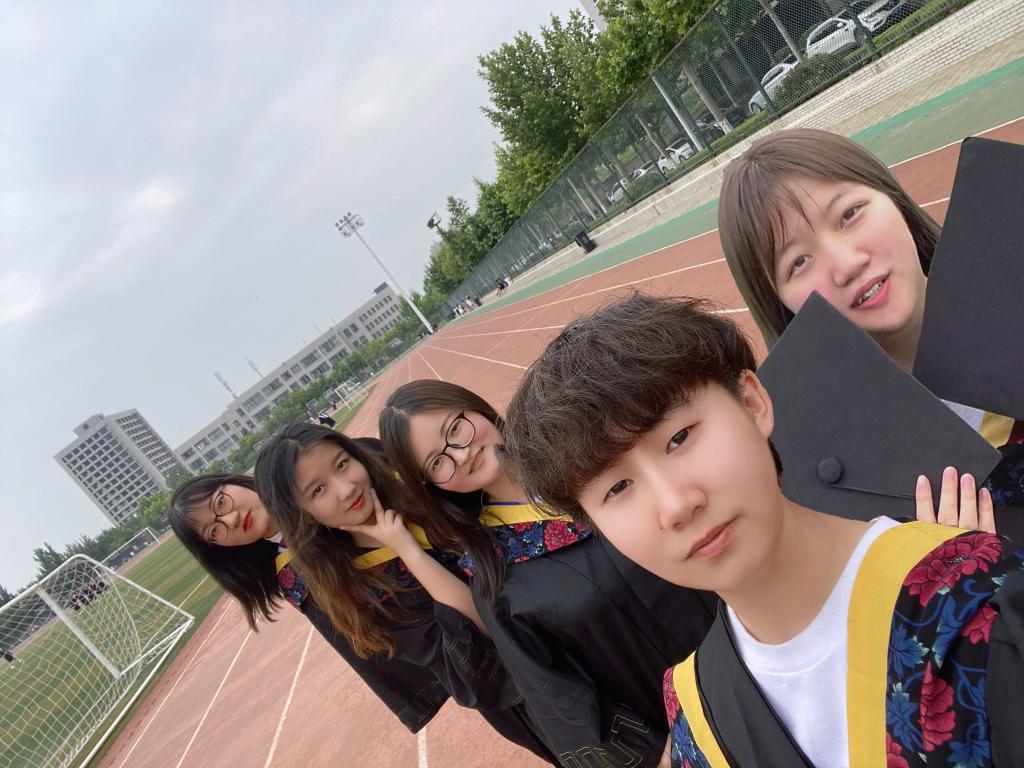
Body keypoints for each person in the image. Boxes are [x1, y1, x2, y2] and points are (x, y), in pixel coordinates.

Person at [503, 294, 1024, 767]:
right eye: (617, 488)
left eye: (679, 437)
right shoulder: (696, 718)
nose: (676, 505)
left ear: (753, 403)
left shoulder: (980, 601)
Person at [379, 380, 717, 767]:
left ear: (474, 407)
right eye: (437, 463)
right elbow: (559, 697)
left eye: (455, 429)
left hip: (749, 631)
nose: (460, 454)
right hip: (688, 722)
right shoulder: (496, 578)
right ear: (430, 485)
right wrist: (658, 754)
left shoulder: (583, 457)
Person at [717, 128, 1023, 523]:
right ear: (779, 304)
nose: (847, 265)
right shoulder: (831, 499)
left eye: (849, 214)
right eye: (798, 263)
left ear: (892, 198)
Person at [253, 424, 555, 764]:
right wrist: (409, 552)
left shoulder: (420, 488)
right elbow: (480, 628)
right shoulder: (360, 591)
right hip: (533, 691)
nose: (346, 488)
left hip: (565, 620)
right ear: (300, 513)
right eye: (318, 490)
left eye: (342, 464)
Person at [168, 466, 449, 733]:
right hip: (450, 622)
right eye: (214, 531)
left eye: (220, 503)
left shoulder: (321, 481)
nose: (230, 520)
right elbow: (373, 639)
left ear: (230, 482)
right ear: (219, 549)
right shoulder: (294, 576)